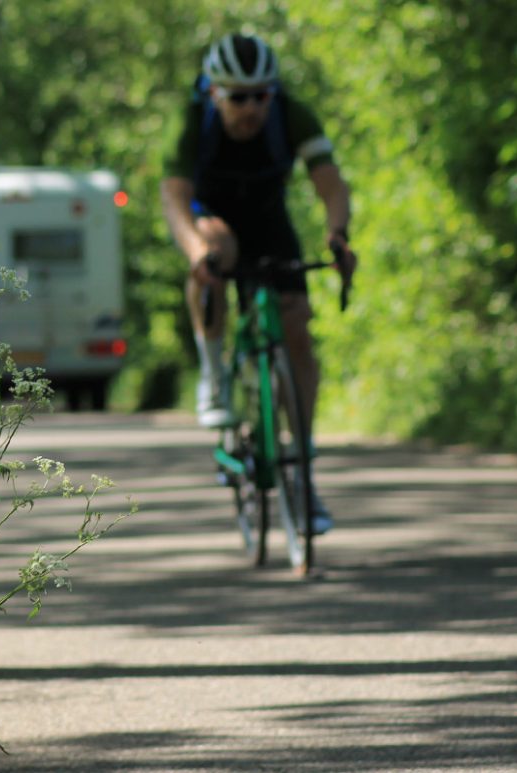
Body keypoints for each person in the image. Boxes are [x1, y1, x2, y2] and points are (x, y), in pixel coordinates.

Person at [160, 32, 356, 533]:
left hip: (270, 222)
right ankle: (213, 375)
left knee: (297, 329)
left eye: (261, 95)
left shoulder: (292, 114)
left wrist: (338, 236)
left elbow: (330, 184)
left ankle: (302, 469)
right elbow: (175, 198)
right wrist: (195, 252)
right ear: (214, 93)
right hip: (213, 220)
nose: (251, 107)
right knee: (216, 251)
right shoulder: (192, 120)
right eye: (238, 96)